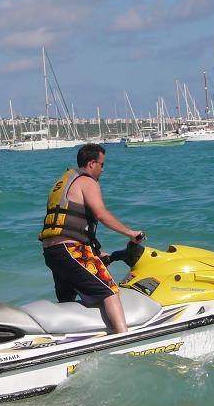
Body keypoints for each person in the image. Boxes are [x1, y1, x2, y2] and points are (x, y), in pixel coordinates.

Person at [39, 143, 144, 334]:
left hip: (53, 253)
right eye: (102, 164)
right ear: (91, 164)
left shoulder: (62, 183)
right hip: (71, 250)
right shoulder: (87, 182)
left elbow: (70, 226)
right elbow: (101, 214)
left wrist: (97, 252)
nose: (103, 169)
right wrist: (131, 233)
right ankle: (124, 339)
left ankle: (66, 339)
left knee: (67, 300)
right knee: (110, 291)